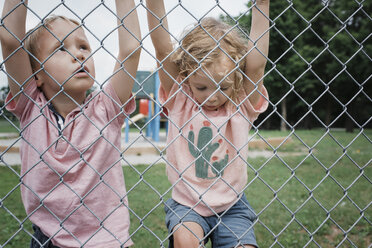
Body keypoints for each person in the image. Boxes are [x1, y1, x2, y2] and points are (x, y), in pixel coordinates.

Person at [0, 0, 141, 247]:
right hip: (49, 239)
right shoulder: (31, 106)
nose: (79, 54)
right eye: (61, 49)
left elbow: (131, 48)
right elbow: (11, 40)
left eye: (84, 46)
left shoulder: (106, 107)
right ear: (37, 76)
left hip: (106, 240)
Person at [146, 0, 270, 247]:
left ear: (235, 77)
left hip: (232, 204)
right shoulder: (181, 98)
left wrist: (262, 6)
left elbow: (256, 66)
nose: (212, 96)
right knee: (185, 241)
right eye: (201, 86)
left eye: (222, 86)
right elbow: (162, 51)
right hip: (187, 203)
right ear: (187, 76)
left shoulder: (239, 101)